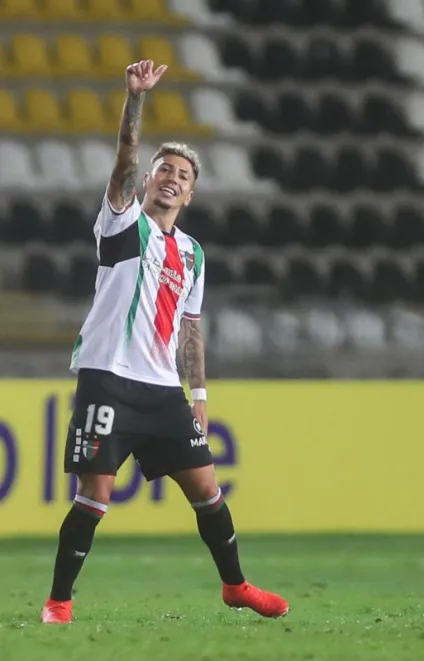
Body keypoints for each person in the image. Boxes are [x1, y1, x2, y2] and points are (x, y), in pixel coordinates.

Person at [41, 61, 289, 624]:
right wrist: (135, 101)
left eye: (183, 174)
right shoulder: (122, 222)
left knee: (208, 490)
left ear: (192, 193)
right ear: (147, 180)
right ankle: (59, 602)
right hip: (108, 375)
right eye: (164, 169)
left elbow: (190, 326)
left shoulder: (195, 254)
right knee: (95, 495)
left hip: (161, 390)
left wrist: (198, 392)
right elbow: (126, 155)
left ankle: (236, 586)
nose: (172, 177)